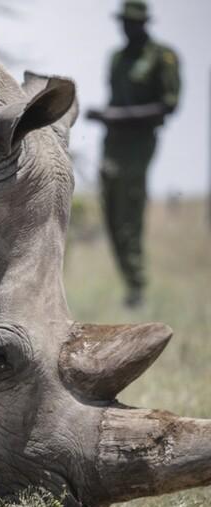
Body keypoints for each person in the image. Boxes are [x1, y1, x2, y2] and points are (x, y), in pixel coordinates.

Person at [86, 0, 181, 308]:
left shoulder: (162, 57)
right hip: (111, 144)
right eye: (123, 21)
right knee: (111, 214)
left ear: (144, 23)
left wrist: (116, 116)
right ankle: (130, 283)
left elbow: (168, 105)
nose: (126, 27)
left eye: (132, 22)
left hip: (138, 146)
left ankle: (137, 286)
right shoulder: (116, 58)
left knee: (129, 215)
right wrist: (105, 117)